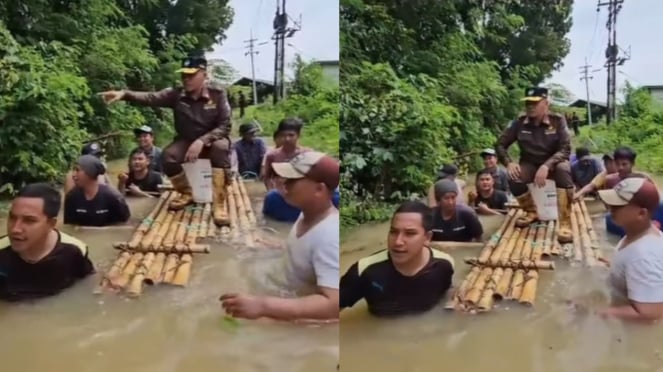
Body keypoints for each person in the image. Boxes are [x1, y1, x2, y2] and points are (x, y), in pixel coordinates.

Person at [98, 54, 233, 226]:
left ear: (204, 75)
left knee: (220, 148)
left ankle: (219, 204)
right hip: (186, 140)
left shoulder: (218, 94)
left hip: (214, 138)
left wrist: (202, 141)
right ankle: (186, 193)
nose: (186, 79)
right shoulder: (175, 94)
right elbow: (150, 97)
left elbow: (225, 125)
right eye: (184, 75)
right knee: (168, 156)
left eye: (191, 75)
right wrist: (124, 94)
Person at [220, 152, 339, 321]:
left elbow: (334, 306)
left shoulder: (329, 236)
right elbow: (310, 256)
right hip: (285, 293)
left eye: (292, 180)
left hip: (303, 321)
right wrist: (280, 245)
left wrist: (263, 306)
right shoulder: (307, 215)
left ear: (319, 189)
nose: (284, 183)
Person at [340, 200, 455, 317]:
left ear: (427, 237)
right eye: (393, 232)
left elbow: (446, 295)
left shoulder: (444, 264)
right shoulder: (364, 270)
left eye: (410, 233)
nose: (398, 242)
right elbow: (331, 313)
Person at [495, 86, 574, 243]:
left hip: (554, 162)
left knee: (563, 170)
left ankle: (565, 223)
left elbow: (565, 149)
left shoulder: (557, 121)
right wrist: (509, 163)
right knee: (514, 176)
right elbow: (500, 145)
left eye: (535, 103)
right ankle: (531, 212)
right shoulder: (518, 123)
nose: (530, 106)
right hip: (530, 163)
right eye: (528, 103)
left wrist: (547, 165)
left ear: (546, 103)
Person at [0, 183, 95, 301]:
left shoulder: (74, 251)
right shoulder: (1, 252)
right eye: (12, 218)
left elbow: (87, 286)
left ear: (51, 224)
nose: (15, 229)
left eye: (29, 220)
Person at [595, 177, 663, 321]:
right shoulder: (637, 235)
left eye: (618, 205)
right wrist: (614, 265)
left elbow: (650, 313)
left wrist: (598, 312)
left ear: (641, 214)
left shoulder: (642, 257)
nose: (610, 207)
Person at [64, 155, 131, 227]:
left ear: (90, 172)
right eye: (73, 170)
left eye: (77, 170)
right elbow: (69, 227)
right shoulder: (71, 197)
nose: (73, 175)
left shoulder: (113, 197)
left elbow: (124, 227)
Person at [574, 147, 651, 200]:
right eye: (606, 163)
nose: (607, 165)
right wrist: (578, 194)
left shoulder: (643, 178)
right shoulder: (607, 177)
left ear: (632, 164)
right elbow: (591, 185)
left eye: (624, 164)